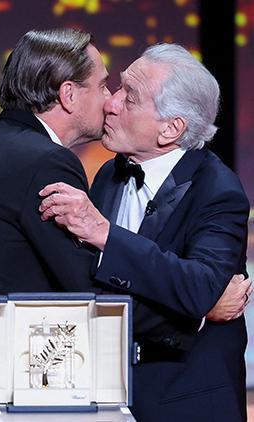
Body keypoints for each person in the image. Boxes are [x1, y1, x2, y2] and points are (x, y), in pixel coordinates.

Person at [39, 44, 250, 421]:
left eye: (129, 97)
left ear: (171, 129)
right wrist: (198, 315)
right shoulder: (109, 173)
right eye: (118, 88)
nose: (111, 103)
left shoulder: (219, 191)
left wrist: (105, 235)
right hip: (108, 397)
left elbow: (200, 285)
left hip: (185, 407)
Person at [0, 27, 110, 403]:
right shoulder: (48, 163)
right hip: (20, 380)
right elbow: (83, 283)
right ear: (68, 94)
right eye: (102, 86)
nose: (109, 100)